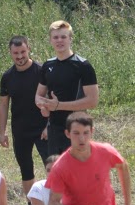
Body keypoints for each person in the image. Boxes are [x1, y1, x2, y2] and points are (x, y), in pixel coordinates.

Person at [34, 20, 98, 155]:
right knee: (55, 167)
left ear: (70, 39)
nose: (59, 40)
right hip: (54, 129)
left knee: (77, 167)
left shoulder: (83, 66)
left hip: (77, 128)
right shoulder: (47, 65)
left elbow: (92, 101)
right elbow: (38, 95)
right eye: (55, 37)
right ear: (50, 40)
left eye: (63, 37)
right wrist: (43, 106)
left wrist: (58, 106)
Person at [0, 35, 49, 202]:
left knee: (52, 166)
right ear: (10, 53)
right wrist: (2, 132)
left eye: (22, 52)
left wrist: (49, 125)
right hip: (20, 129)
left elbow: (52, 99)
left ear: (29, 49)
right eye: (16, 53)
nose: (19, 56)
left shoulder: (41, 71)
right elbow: (3, 105)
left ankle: (54, 203)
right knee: (26, 169)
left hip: (42, 128)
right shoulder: (7, 77)